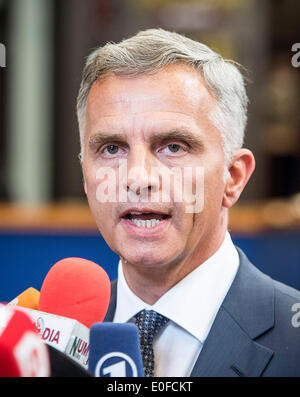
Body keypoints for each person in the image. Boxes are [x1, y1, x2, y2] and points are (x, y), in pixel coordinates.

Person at [77, 28, 300, 377]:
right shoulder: (49, 341)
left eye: (173, 147)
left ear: (234, 177)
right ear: (85, 175)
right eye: (112, 149)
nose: (137, 178)